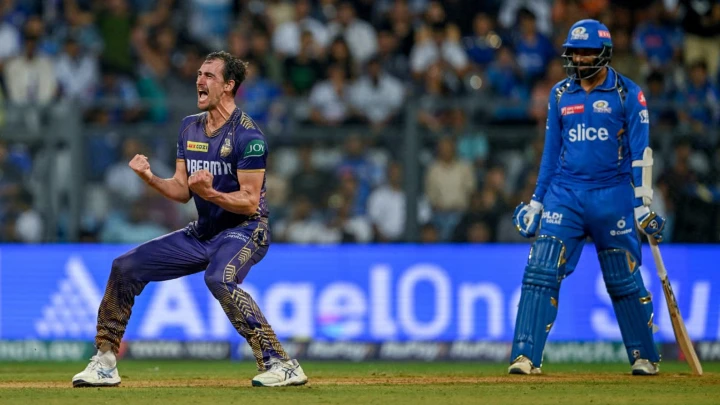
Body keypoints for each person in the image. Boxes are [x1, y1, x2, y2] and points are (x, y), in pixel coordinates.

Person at [72, 51, 308, 388]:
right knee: (124, 268)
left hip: (246, 230)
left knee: (219, 278)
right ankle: (105, 361)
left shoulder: (249, 137)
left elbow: (249, 202)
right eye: (199, 73)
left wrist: (210, 194)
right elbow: (183, 190)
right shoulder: (189, 127)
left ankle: (280, 362)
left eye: (210, 75)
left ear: (229, 85)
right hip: (204, 232)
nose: (200, 79)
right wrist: (151, 177)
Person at [509, 20, 666, 376]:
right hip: (565, 195)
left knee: (622, 279)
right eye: (574, 53)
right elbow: (551, 154)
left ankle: (644, 356)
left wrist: (643, 204)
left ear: (604, 54)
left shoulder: (628, 94)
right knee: (540, 270)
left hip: (612, 196)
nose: (579, 59)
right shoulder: (561, 94)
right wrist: (536, 202)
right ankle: (524, 356)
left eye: (586, 52)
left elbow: (641, 154)